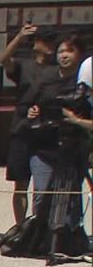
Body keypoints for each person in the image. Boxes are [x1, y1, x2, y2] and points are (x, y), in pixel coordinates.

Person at [18, 35, 91, 240]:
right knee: (42, 194)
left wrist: (76, 120)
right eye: (60, 51)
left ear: (79, 54)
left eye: (69, 51)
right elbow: (26, 105)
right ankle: (41, 237)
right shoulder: (46, 78)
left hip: (74, 144)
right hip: (43, 144)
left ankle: (70, 236)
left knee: (71, 195)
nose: (64, 56)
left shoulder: (84, 81)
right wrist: (31, 113)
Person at [0, 23, 57, 224]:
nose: (36, 43)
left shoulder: (56, 70)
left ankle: (39, 227)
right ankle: (21, 226)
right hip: (22, 128)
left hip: (45, 131)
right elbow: (3, 60)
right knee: (20, 184)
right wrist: (19, 37)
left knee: (43, 185)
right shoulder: (24, 65)